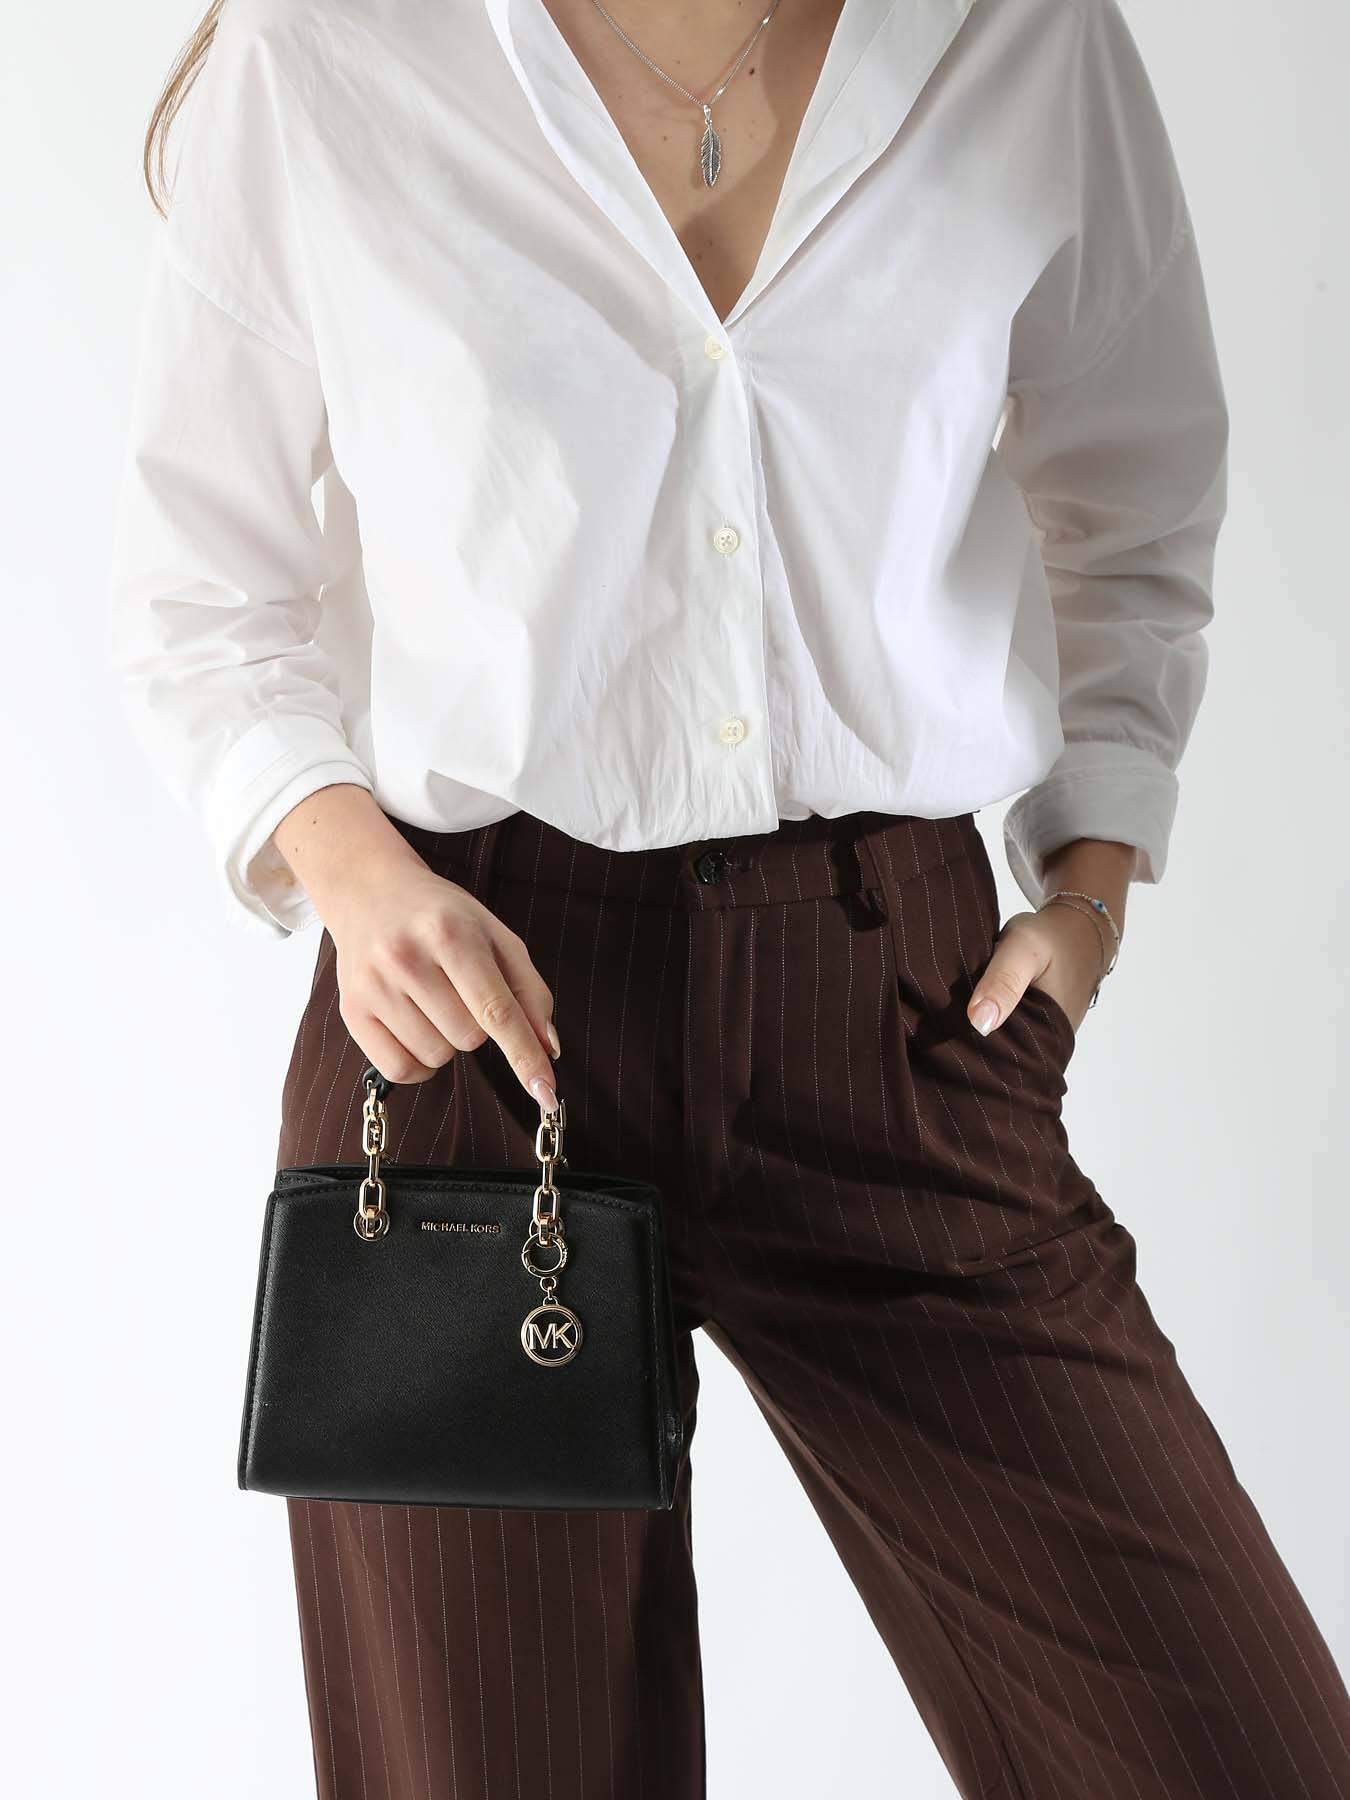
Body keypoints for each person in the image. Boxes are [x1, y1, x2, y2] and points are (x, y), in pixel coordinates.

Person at [109, 0, 1350, 1794]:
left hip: (903, 1020)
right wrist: (353, 871)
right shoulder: (331, 51)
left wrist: (1086, 892)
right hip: (469, 1036)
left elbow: (1135, 500)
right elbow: (200, 585)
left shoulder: (1016, 36)